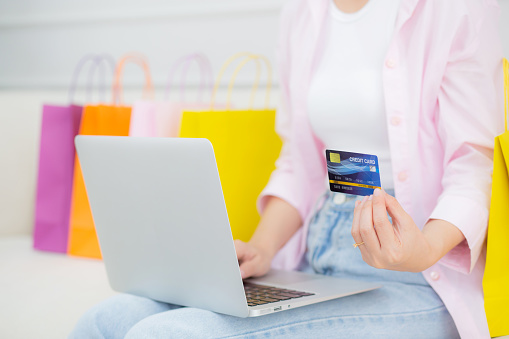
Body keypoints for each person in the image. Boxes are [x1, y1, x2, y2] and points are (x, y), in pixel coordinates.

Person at [69, 0, 503, 338]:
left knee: (166, 335)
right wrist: (263, 247)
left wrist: (421, 250)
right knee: (106, 322)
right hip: (317, 257)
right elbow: (301, 163)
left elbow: (474, 166)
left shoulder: (453, 8)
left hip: (419, 278)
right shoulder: (304, 12)